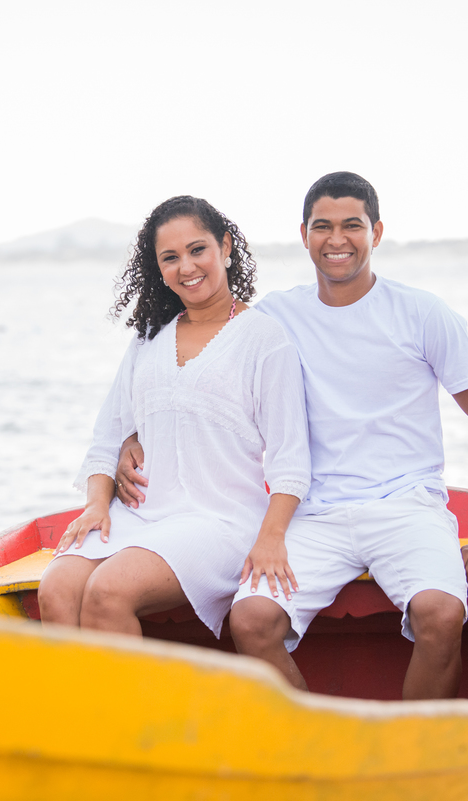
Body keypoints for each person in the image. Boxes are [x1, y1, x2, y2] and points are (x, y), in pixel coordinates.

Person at [116, 173, 468, 699]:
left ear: (376, 232)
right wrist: (133, 435)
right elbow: (192, 369)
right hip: (312, 514)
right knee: (251, 620)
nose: (336, 239)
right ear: (304, 234)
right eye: (322, 226)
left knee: (441, 615)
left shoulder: (422, 314)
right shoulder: (276, 317)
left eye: (352, 225)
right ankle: (322, 738)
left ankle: (410, 748)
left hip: (407, 506)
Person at [37, 195, 310, 642]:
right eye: (170, 257)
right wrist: (96, 505)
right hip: (141, 515)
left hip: (220, 521)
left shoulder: (264, 338)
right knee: (56, 588)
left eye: (197, 249)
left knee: (108, 591)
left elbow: (290, 457)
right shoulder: (149, 338)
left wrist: (271, 537)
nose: (186, 267)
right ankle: (86, 693)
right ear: (158, 268)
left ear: (225, 247)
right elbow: (109, 434)